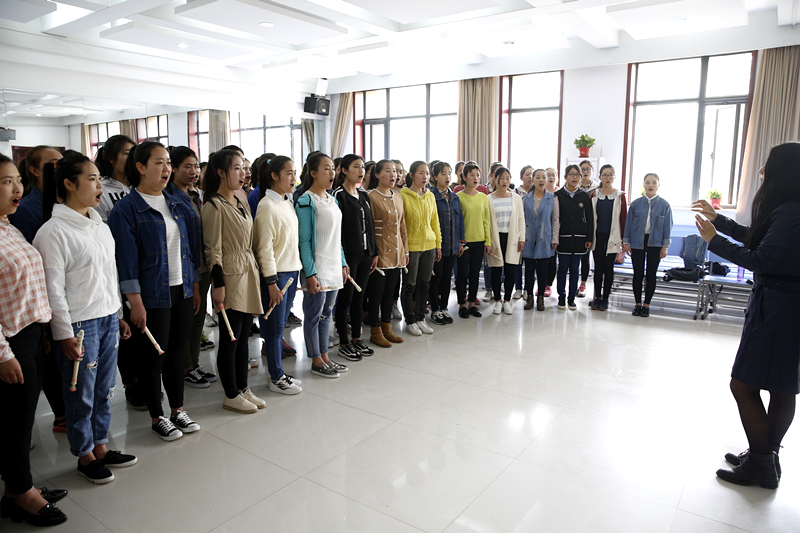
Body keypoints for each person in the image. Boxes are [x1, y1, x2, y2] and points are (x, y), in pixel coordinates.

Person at [692, 142, 800, 490]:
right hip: (785, 305)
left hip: (780, 309)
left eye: (767, 164)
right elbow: (757, 239)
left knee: (743, 385)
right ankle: (764, 455)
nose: (761, 170)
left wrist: (714, 240)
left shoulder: (791, 212)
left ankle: (762, 463)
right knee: (781, 388)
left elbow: (759, 259)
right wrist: (718, 221)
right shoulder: (789, 208)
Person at [34, 152, 137, 485]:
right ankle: (84, 454)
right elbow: (53, 290)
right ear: (68, 184)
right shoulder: (53, 232)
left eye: (97, 179)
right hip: (79, 326)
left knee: (105, 388)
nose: (98, 186)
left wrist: (118, 314)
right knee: (81, 393)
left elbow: (110, 275)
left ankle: (101, 445)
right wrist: (63, 334)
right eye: (91, 179)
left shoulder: (99, 226)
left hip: (107, 318)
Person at [108, 141, 201, 441]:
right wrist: (134, 302)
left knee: (177, 353)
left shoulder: (175, 203)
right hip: (151, 296)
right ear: (140, 167)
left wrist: (194, 284)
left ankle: (178, 410)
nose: (166, 169)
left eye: (168, 163)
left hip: (181, 289)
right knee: (153, 357)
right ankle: (157, 416)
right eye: (159, 163)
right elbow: (126, 261)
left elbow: (186, 249)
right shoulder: (126, 210)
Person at [0, 154, 68, 527]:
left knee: (22, 421)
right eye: (6, 182)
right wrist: (3, 355)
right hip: (9, 344)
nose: (16, 189)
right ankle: (23, 494)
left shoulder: (8, 227)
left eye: (16, 180)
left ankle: (16, 490)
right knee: (14, 424)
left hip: (30, 334)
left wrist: (42, 329)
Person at [202, 149, 264, 413]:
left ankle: (243, 387)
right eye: (236, 168)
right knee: (231, 338)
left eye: (243, 168)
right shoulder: (213, 206)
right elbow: (212, 250)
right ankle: (230, 394)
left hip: (248, 271)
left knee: (244, 337)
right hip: (230, 276)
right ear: (220, 172)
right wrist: (218, 284)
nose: (243, 173)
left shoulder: (240, 200)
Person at [296, 152, 349, 378]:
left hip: (333, 265)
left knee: (327, 314)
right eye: (326, 168)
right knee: (313, 315)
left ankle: (325, 356)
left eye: (332, 168)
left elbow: (337, 237)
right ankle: (316, 360)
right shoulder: (306, 201)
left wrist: (343, 263)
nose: (331, 173)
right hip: (317, 268)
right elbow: (304, 242)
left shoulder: (332, 199)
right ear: (313, 173)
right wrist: (310, 274)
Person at [168, 147, 217, 388]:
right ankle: (185, 366)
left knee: (198, 317)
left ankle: (193, 364)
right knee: (187, 318)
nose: (194, 171)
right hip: (186, 268)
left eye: (196, 166)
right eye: (187, 166)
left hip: (203, 265)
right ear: (173, 168)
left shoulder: (198, 195)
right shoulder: (170, 197)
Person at [254, 156, 303, 394]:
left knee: (280, 326)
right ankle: (275, 377)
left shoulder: (286, 202)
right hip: (278, 276)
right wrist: (271, 282)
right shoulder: (267, 205)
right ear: (274, 175)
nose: (294, 178)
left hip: (291, 272)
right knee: (273, 330)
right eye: (289, 173)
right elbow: (264, 248)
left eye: (295, 173)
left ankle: (279, 373)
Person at [332, 155, 379, 360]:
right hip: (349, 256)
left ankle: (357, 339)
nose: (361, 171)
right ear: (344, 170)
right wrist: (342, 261)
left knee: (359, 299)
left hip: (366, 254)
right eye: (356, 167)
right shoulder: (338, 195)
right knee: (346, 300)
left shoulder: (363, 194)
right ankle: (344, 342)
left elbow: (370, 225)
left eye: (362, 167)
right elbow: (337, 231)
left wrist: (374, 251)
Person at [366, 160, 407, 347]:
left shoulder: (397, 196)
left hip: (397, 253)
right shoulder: (370, 196)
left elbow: (402, 226)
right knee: (376, 294)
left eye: (395, 172)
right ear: (377, 175)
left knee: (390, 293)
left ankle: (387, 328)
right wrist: (373, 252)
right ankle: (375, 331)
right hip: (380, 252)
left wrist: (405, 250)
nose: (393, 175)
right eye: (388, 171)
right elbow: (369, 229)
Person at [399, 161, 442, 336]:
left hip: (429, 245)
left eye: (427, 173)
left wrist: (438, 244)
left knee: (425, 285)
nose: (425, 177)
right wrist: (404, 248)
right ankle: (410, 320)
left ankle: (420, 318)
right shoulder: (402, 196)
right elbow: (401, 226)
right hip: (412, 247)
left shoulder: (430, 196)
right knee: (410, 285)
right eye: (421, 173)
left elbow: (435, 222)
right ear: (411, 175)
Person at [622, 173, 672, 317]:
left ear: (658, 185)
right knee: (638, 274)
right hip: (637, 242)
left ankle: (646, 305)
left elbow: (668, 227)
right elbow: (628, 224)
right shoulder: (636, 204)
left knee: (651, 275)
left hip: (655, 243)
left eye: (654, 182)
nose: (651, 185)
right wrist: (626, 242)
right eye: (648, 182)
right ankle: (637, 304)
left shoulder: (665, 205)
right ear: (643, 184)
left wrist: (665, 246)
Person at [429, 161, 464, 325]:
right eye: (443, 173)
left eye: (449, 173)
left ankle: (444, 308)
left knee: (446, 279)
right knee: (436, 279)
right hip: (438, 247)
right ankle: (435, 310)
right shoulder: (431, 196)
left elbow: (460, 221)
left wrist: (461, 242)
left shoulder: (455, 197)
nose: (447, 177)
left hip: (452, 246)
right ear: (435, 176)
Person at [487, 167, 525, 315]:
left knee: (510, 270)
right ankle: (497, 300)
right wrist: (487, 241)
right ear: (495, 179)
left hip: (512, 238)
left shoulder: (516, 198)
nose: (505, 181)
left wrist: (522, 238)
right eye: (502, 178)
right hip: (495, 238)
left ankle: (507, 300)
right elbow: (486, 222)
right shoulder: (488, 199)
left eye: (508, 178)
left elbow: (521, 220)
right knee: (496, 270)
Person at [456, 162, 492, 318]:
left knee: (475, 274)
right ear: (464, 177)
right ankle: (462, 305)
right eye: (472, 175)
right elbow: (457, 222)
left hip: (479, 241)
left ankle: (472, 304)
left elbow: (486, 221)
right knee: (462, 274)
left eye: (478, 175)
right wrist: (459, 242)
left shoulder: (483, 197)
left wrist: (488, 241)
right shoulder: (458, 197)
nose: (476, 178)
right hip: (464, 243)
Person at [554, 165, 593, 310]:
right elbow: (554, 220)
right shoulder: (557, 196)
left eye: (577, 174)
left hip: (579, 238)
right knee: (562, 268)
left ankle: (571, 298)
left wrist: (589, 238)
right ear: (565, 177)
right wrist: (554, 239)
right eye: (571, 174)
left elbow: (590, 219)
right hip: (562, 238)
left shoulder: (584, 196)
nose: (575, 177)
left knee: (575, 269)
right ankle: (561, 297)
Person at [589, 164, 627, 311]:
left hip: (613, 237)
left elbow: (623, 219)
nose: (608, 178)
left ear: (615, 177)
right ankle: (597, 297)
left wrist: (624, 241)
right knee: (598, 267)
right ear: (600, 177)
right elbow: (591, 219)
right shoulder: (594, 195)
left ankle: (605, 298)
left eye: (610, 175)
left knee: (609, 268)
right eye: (604, 175)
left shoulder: (620, 196)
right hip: (598, 236)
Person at [521, 169, 559, 311]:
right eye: (538, 177)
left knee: (543, 271)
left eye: (544, 177)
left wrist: (554, 238)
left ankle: (541, 297)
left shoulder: (552, 198)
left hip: (545, 239)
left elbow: (555, 220)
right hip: (529, 238)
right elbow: (521, 220)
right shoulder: (526, 198)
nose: (541, 180)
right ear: (533, 180)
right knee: (529, 271)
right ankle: (529, 297)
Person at [9, 146, 63, 243]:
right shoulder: (24, 210)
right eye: (55, 164)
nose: (62, 170)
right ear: (35, 170)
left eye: (63, 164)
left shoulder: (68, 201)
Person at [95, 135, 136, 222]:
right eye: (127, 153)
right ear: (111, 158)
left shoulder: (140, 186)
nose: (132, 158)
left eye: (134, 153)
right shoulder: (100, 190)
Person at [577, 160, 597, 297]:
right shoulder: (573, 187)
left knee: (585, 257)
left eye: (588, 169)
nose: (585, 171)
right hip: (575, 227)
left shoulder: (597, 189)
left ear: (592, 171)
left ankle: (583, 284)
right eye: (583, 169)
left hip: (590, 227)